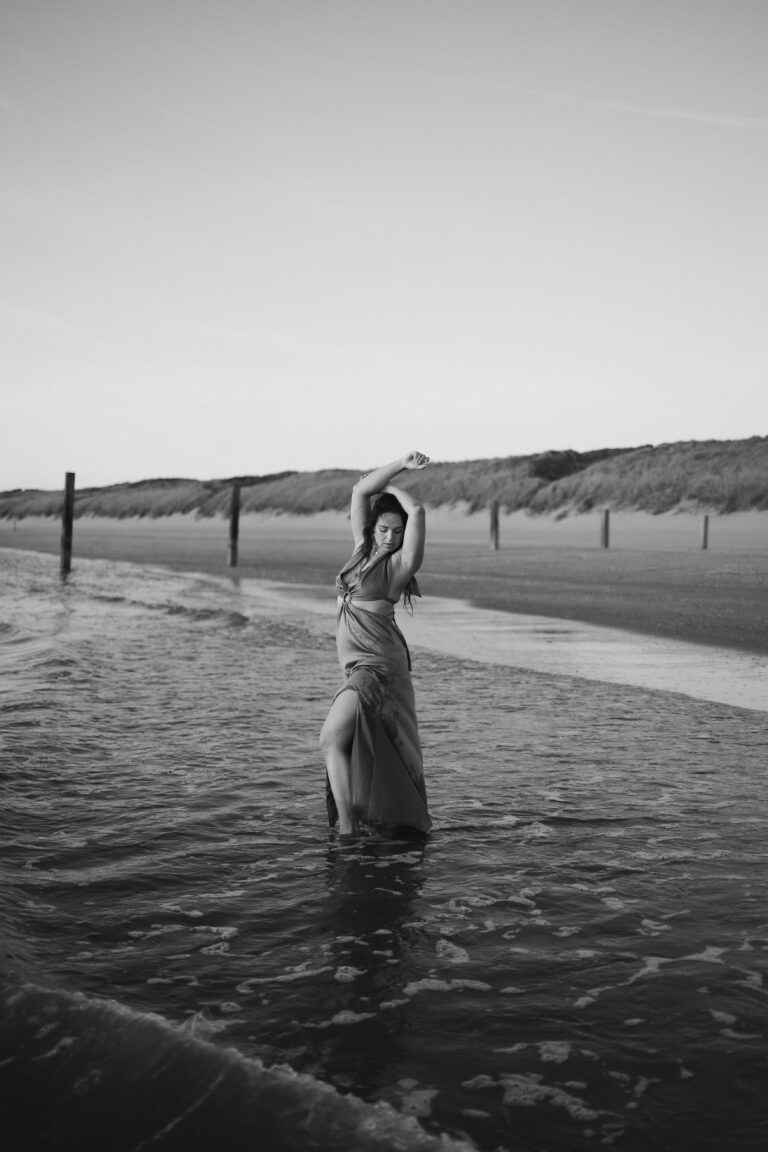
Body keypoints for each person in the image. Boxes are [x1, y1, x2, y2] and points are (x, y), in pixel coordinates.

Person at [319, 451, 432, 838]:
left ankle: (348, 830)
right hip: (356, 667)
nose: (390, 538)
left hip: (379, 666)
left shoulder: (399, 567)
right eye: (383, 529)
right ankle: (361, 823)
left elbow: (416, 510)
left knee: (331, 737)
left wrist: (395, 491)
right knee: (348, 743)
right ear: (372, 527)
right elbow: (360, 491)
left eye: (397, 532)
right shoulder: (360, 550)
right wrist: (401, 463)